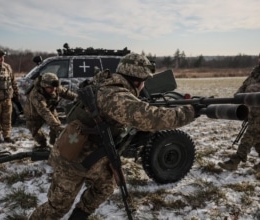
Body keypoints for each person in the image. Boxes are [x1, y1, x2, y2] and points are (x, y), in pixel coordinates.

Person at [29, 53, 197, 220]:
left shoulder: (110, 84)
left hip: (94, 155)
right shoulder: (114, 95)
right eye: (144, 80)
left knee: (105, 187)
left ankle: (78, 217)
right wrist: (190, 111)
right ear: (137, 80)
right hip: (73, 158)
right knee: (57, 208)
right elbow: (149, 117)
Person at [23, 72, 77, 149]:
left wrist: (78, 98)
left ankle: (54, 142)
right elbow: (44, 112)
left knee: (56, 127)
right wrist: (56, 126)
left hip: (50, 108)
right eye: (50, 88)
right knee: (35, 131)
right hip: (33, 113)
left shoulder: (54, 87)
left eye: (55, 87)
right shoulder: (36, 95)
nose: (53, 90)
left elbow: (65, 93)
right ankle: (42, 144)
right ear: (44, 86)